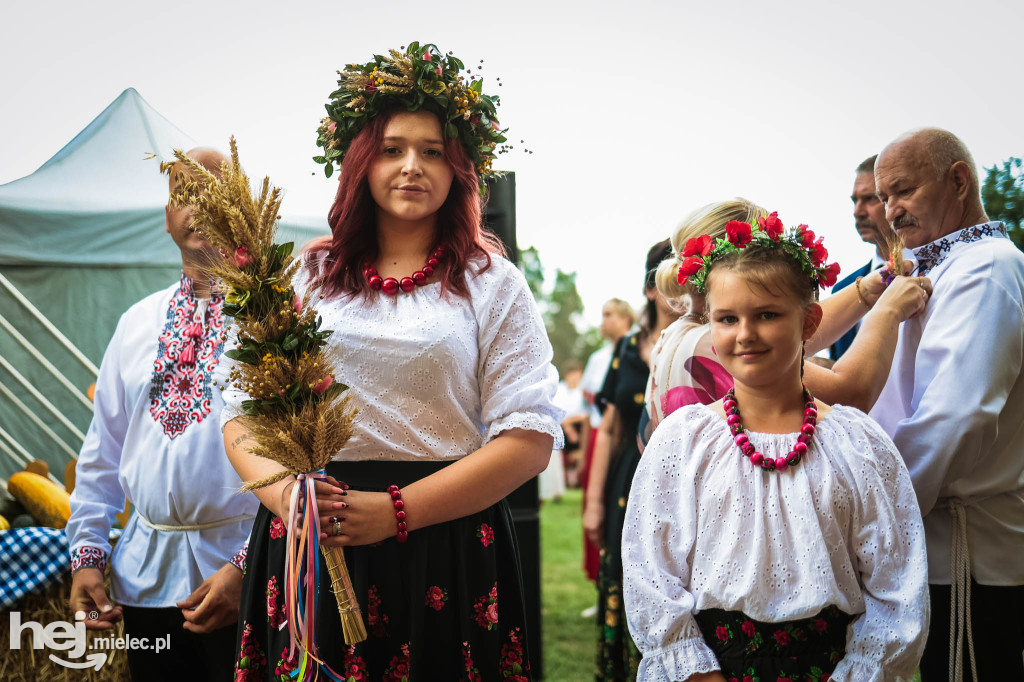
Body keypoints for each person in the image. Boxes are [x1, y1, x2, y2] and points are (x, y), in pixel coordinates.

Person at [222, 43, 563, 680]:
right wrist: (288, 502)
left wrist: (396, 512)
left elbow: (528, 438)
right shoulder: (307, 276)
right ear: (360, 162)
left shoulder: (493, 283)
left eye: (433, 152)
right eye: (393, 148)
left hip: (445, 540)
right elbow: (240, 414)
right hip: (313, 539)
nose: (413, 166)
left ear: (460, 168)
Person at [623, 216, 929, 681]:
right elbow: (652, 572)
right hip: (712, 667)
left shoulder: (859, 445)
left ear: (808, 321)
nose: (745, 333)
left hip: (830, 666)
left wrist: (863, 669)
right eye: (727, 319)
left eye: (767, 314)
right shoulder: (684, 442)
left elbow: (895, 584)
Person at [66, 148, 257, 682]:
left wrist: (249, 565)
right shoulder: (135, 323)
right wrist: (86, 557)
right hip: (145, 579)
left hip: (243, 575)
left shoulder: (276, 319)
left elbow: (306, 462)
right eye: (182, 194)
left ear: (242, 208)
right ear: (167, 215)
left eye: (214, 192)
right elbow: (103, 449)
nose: (197, 206)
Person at [870, 127, 1024, 681]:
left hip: (965, 557)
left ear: (957, 180)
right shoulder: (941, 264)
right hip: (935, 547)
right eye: (884, 197)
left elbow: (955, 419)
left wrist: (876, 517)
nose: (890, 211)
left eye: (902, 191)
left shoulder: (988, 268)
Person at [643, 198, 932, 446]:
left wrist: (864, 292)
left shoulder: (677, 333)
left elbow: (790, 335)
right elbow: (850, 396)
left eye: (766, 315)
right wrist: (888, 312)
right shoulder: (712, 343)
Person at [583, 239, 678, 682]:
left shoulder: (709, 342)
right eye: (670, 275)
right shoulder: (626, 349)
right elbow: (611, 430)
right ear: (649, 288)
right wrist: (593, 503)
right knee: (625, 591)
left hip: (682, 492)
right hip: (625, 486)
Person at [579, 298, 634, 585]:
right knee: (594, 506)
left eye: (610, 314)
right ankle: (599, 579)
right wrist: (581, 457)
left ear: (626, 318)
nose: (604, 321)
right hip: (601, 438)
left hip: (626, 441)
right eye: (602, 315)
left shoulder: (637, 352)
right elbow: (590, 413)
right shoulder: (597, 360)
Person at [830, 155, 898, 360]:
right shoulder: (842, 290)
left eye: (870, 199)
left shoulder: (932, 274)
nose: (857, 211)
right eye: (855, 201)